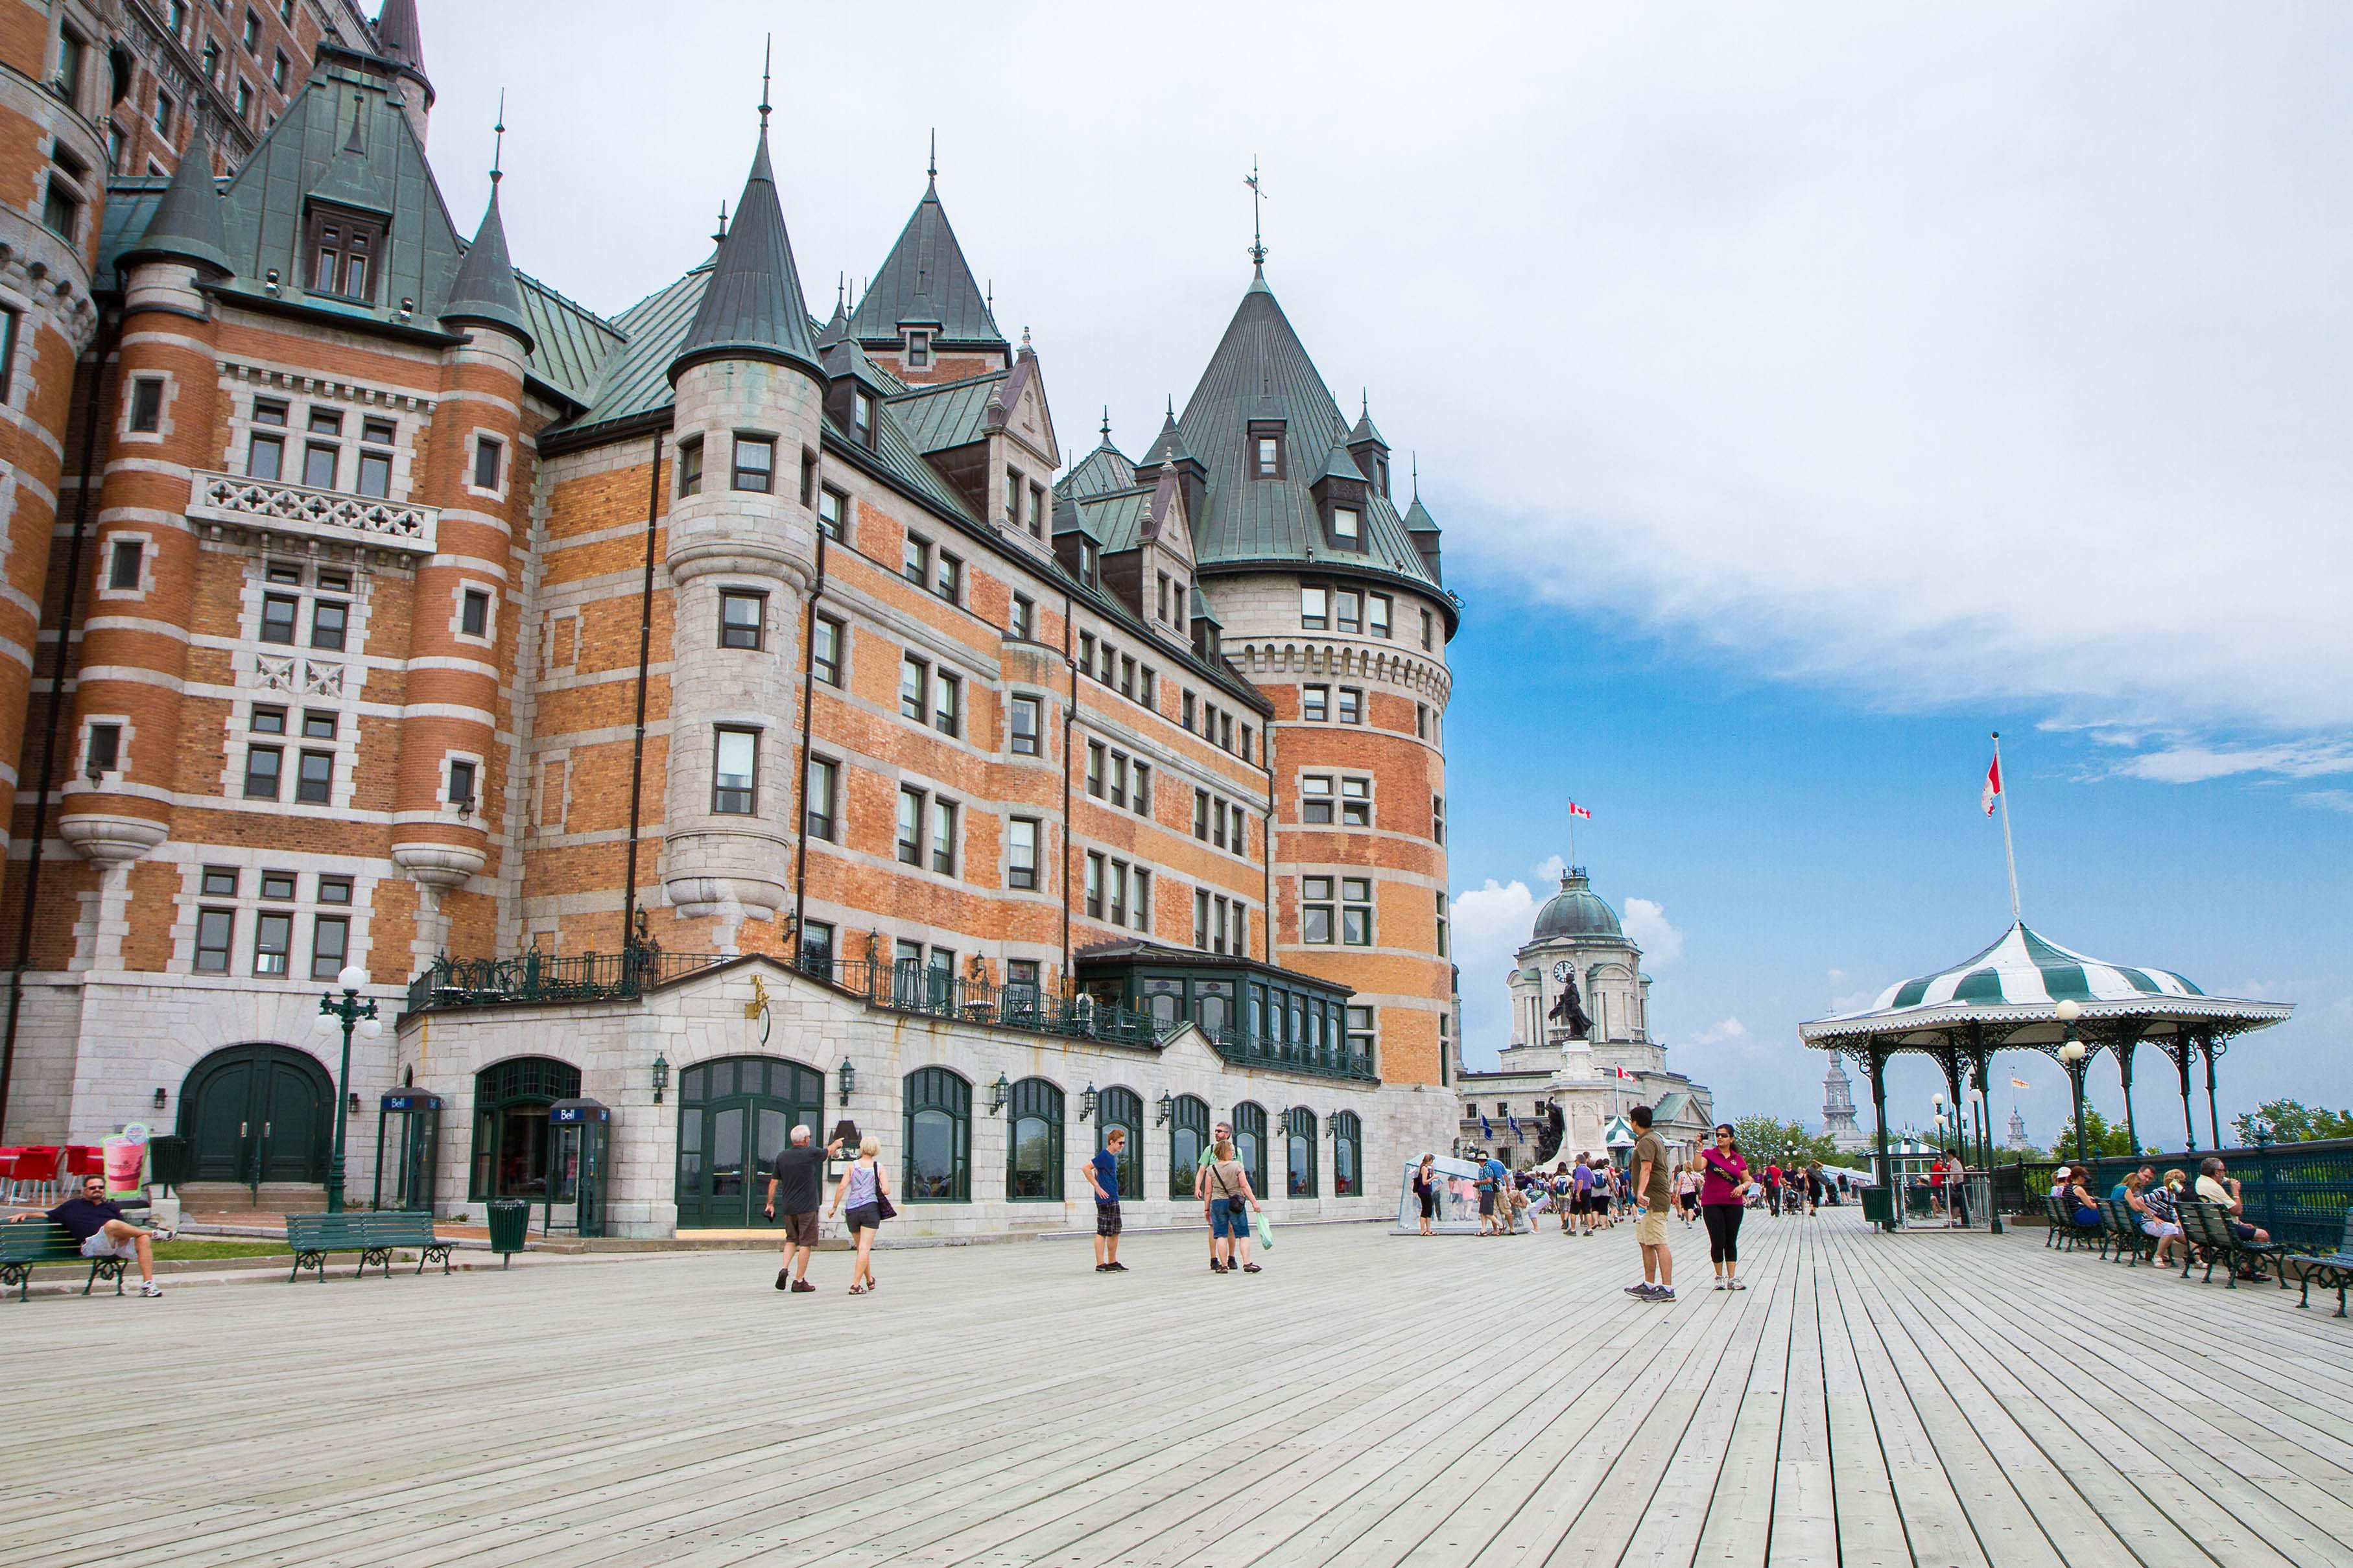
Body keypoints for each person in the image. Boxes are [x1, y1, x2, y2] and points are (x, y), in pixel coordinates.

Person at [10, 1174, 171, 1296]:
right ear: (84, 1191)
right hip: (92, 1245)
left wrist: (126, 1237)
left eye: (100, 1187)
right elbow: (47, 1215)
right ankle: (154, 1233)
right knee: (112, 1224)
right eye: (92, 1188)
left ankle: (148, 1285)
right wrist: (26, 1214)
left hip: (115, 1244)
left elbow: (125, 1228)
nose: (97, 1190)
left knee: (142, 1238)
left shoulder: (111, 1207)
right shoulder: (72, 1206)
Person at [762, 1124, 843, 1293]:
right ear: (806, 1139)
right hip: (807, 1208)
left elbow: (773, 1182)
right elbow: (828, 1151)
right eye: (809, 1137)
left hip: (789, 1207)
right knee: (806, 1243)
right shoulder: (810, 1153)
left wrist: (770, 1204)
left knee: (791, 1240)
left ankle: (784, 1268)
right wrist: (837, 1144)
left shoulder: (782, 1156)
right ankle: (799, 1280)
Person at [1624, 1106, 1676, 1303]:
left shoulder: (1647, 1141)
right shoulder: (1652, 1139)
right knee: (1646, 1242)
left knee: (1659, 1242)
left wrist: (1640, 1192)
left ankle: (1667, 1288)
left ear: (1635, 1122)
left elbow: (1647, 1168)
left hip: (1652, 1199)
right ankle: (1649, 1284)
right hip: (1648, 1200)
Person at [825, 1134, 890, 1294]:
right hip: (870, 1209)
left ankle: (869, 1280)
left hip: (852, 1209)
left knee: (861, 1248)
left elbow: (842, 1187)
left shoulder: (852, 1166)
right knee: (865, 1248)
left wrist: (834, 1207)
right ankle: (855, 1285)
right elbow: (886, 1190)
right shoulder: (879, 1167)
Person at [2195, 1156, 2271, 1274]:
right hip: (2224, 1231)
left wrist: (2240, 1224)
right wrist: (2235, 1192)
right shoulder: (2213, 1187)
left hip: (2213, 1228)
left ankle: (2241, 1265)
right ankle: (2248, 1270)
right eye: (2223, 1171)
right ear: (2217, 1172)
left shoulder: (2200, 1182)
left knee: (2249, 1230)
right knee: (2263, 1235)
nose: (2224, 1174)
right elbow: (2236, 1211)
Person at [1699, 1126, 1752, 1288]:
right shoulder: (1709, 1154)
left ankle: (1732, 1278)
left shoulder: (1738, 1158)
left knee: (1731, 1240)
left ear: (1731, 1139)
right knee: (1717, 1240)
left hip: (1734, 1204)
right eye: (1718, 1135)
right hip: (1712, 1203)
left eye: (1724, 1135)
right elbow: (1698, 1167)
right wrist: (1699, 1149)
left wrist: (1741, 1187)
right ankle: (1719, 1276)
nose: (1720, 1138)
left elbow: (1747, 1180)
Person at [1204, 1136, 1259, 1272]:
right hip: (1235, 1203)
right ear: (1227, 1152)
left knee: (1221, 1235)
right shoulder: (1237, 1166)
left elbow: (1208, 1191)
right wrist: (1254, 1202)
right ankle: (1247, 1263)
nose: (1233, 1153)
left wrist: (1207, 1209)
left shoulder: (1211, 1169)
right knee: (1243, 1234)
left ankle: (1223, 1266)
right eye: (1231, 1150)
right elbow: (1245, 1186)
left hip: (1217, 1203)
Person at [2123, 1169, 2186, 1268]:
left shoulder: (2171, 1195)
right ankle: (2158, 1256)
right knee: (2171, 1229)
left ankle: (2198, 1259)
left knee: (2184, 1233)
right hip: (2148, 1223)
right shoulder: (2162, 1192)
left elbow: (2172, 1214)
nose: (2184, 1185)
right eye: (2183, 1182)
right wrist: (2153, 1216)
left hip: (2162, 1224)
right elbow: (2139, 1200)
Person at [1194, 1119, 1234, 1272]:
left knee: (1231, 1225)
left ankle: (1231, 1257)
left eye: (1219, 1131)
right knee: (1213, 1225)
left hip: (1231, 1194)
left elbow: (1240, 1172)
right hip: (1215, 1193)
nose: (1216, 1133)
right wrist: (1198, 1187)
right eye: (1216, 1131)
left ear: (1227, 1134)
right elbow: (1202, 1171)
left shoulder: (1235, 1151)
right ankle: (1213, 1258)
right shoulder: (1209, 1150)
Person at [1087, 1129, 1128, 1272]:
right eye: (1120, 1143)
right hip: (1105, 1199)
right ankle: (1100, 1264)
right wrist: (1097, 1186)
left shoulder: (1111, 1157)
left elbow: (1099, 1171)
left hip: (1113, 1197)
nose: (1122, 1146)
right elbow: (1086, 1168)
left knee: (1115, 1230)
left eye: (1124, 1143)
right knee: (1103, 1230)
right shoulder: (1104, 1156)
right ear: (1112, 1142)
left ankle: (1112, 1261)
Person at [1477, 1149, 1507, 1235]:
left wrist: (1479, 1182)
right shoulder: (1485, 1168)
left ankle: (1501, 1225)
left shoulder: (1486, 1168)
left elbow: (1489, 1180)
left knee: (1487, 1213)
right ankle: (1484, 1230)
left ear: (1480, 1161)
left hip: (1488, 1191)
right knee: (1482, 1212)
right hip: (1485, 1191)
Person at [1412, 1154, 1439, 1235]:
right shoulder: (1424, 1168)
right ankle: (1423, 1230)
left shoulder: (1426, 1168)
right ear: (1429, 1160)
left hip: (1427, 1191)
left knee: (1429, 1210)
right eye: (1432, 1161)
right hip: (1424, 1191)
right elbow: (1424, 1182)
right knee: (1425, 1209)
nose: (1432, 1163)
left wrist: (1432, 1172)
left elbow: (1427, 1178)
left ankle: (1429, 1229)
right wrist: (1433, 1178)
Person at [1675, 1161, 1702, 1225]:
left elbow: (1679, 1185)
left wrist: (1677, 1193)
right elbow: (1698, 1184)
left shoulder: (1681, 1174)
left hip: (1683, 1193)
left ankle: (1687, 1221)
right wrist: (1700, 1190)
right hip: (1692, 1192)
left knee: (1685, 1207)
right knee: (1691, 1207)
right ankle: (1690, 1222)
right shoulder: (1694, 1174)